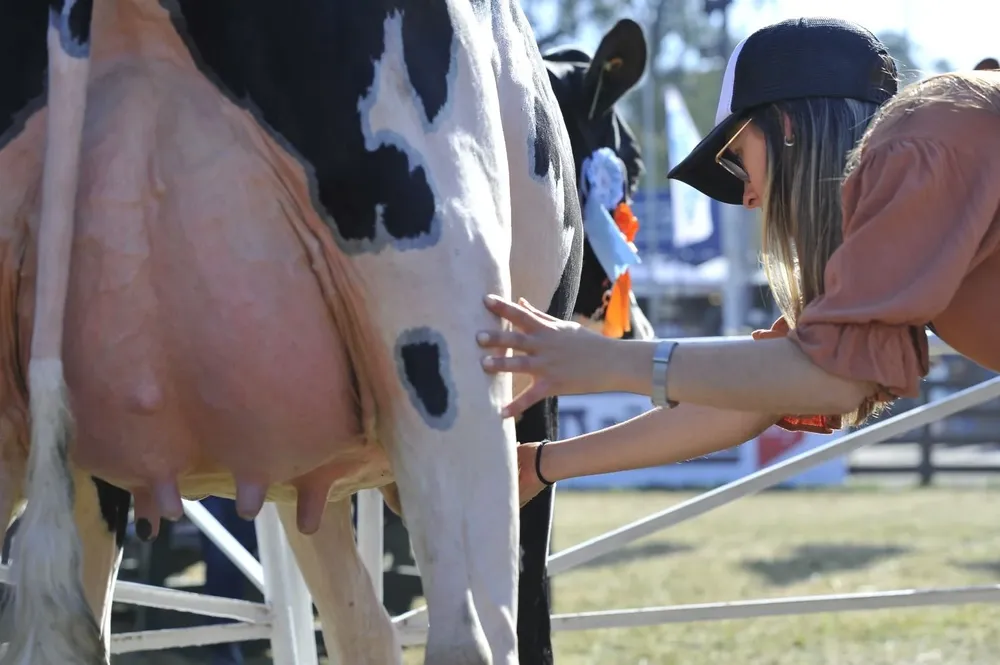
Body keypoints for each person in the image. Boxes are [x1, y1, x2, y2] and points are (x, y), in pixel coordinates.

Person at [474, 17, 1000, 506]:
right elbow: (766, 392)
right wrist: (540, 464)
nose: (747, 197)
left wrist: (610, 361)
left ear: (787, 127)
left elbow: (834, 378)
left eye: (737, 159)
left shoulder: (920, 135)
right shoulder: (915, 169)